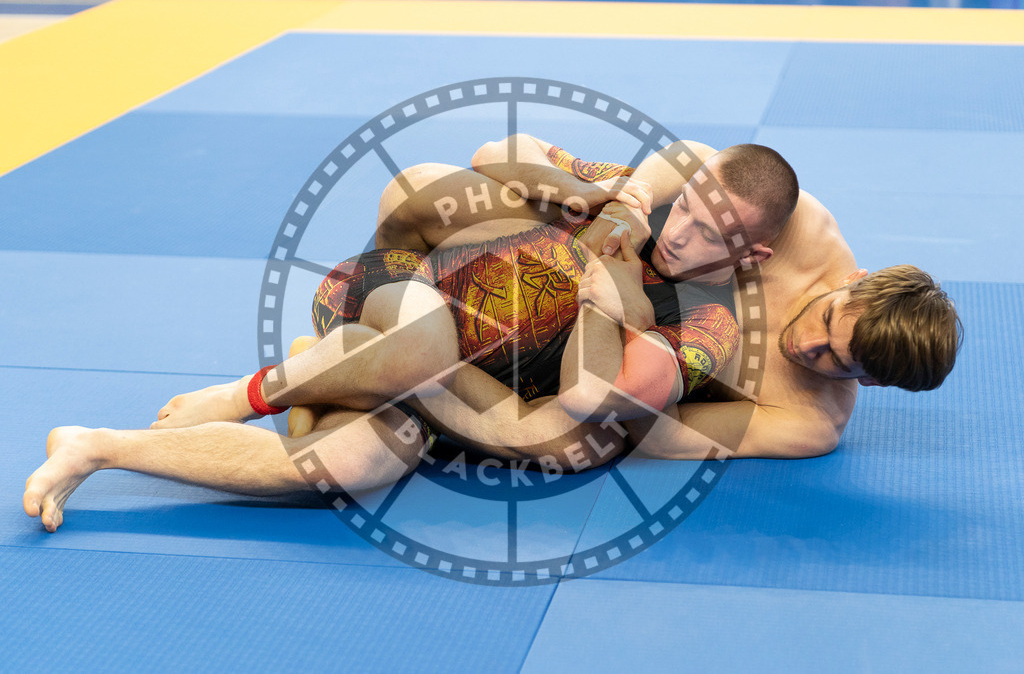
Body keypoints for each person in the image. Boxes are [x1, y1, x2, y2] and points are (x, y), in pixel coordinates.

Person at [23, 135, 958, 533]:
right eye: (831, 326)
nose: (812, 351)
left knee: (360, 465)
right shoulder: (793, 221)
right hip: (428, 300)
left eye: (842, 367)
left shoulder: (805, 418)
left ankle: (100, 446)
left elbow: (640, 430)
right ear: (856, 284)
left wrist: (524, 424)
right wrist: (614, 200)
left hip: (500, 377)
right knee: (428, 196)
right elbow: (656, 170)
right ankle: (251, 390)